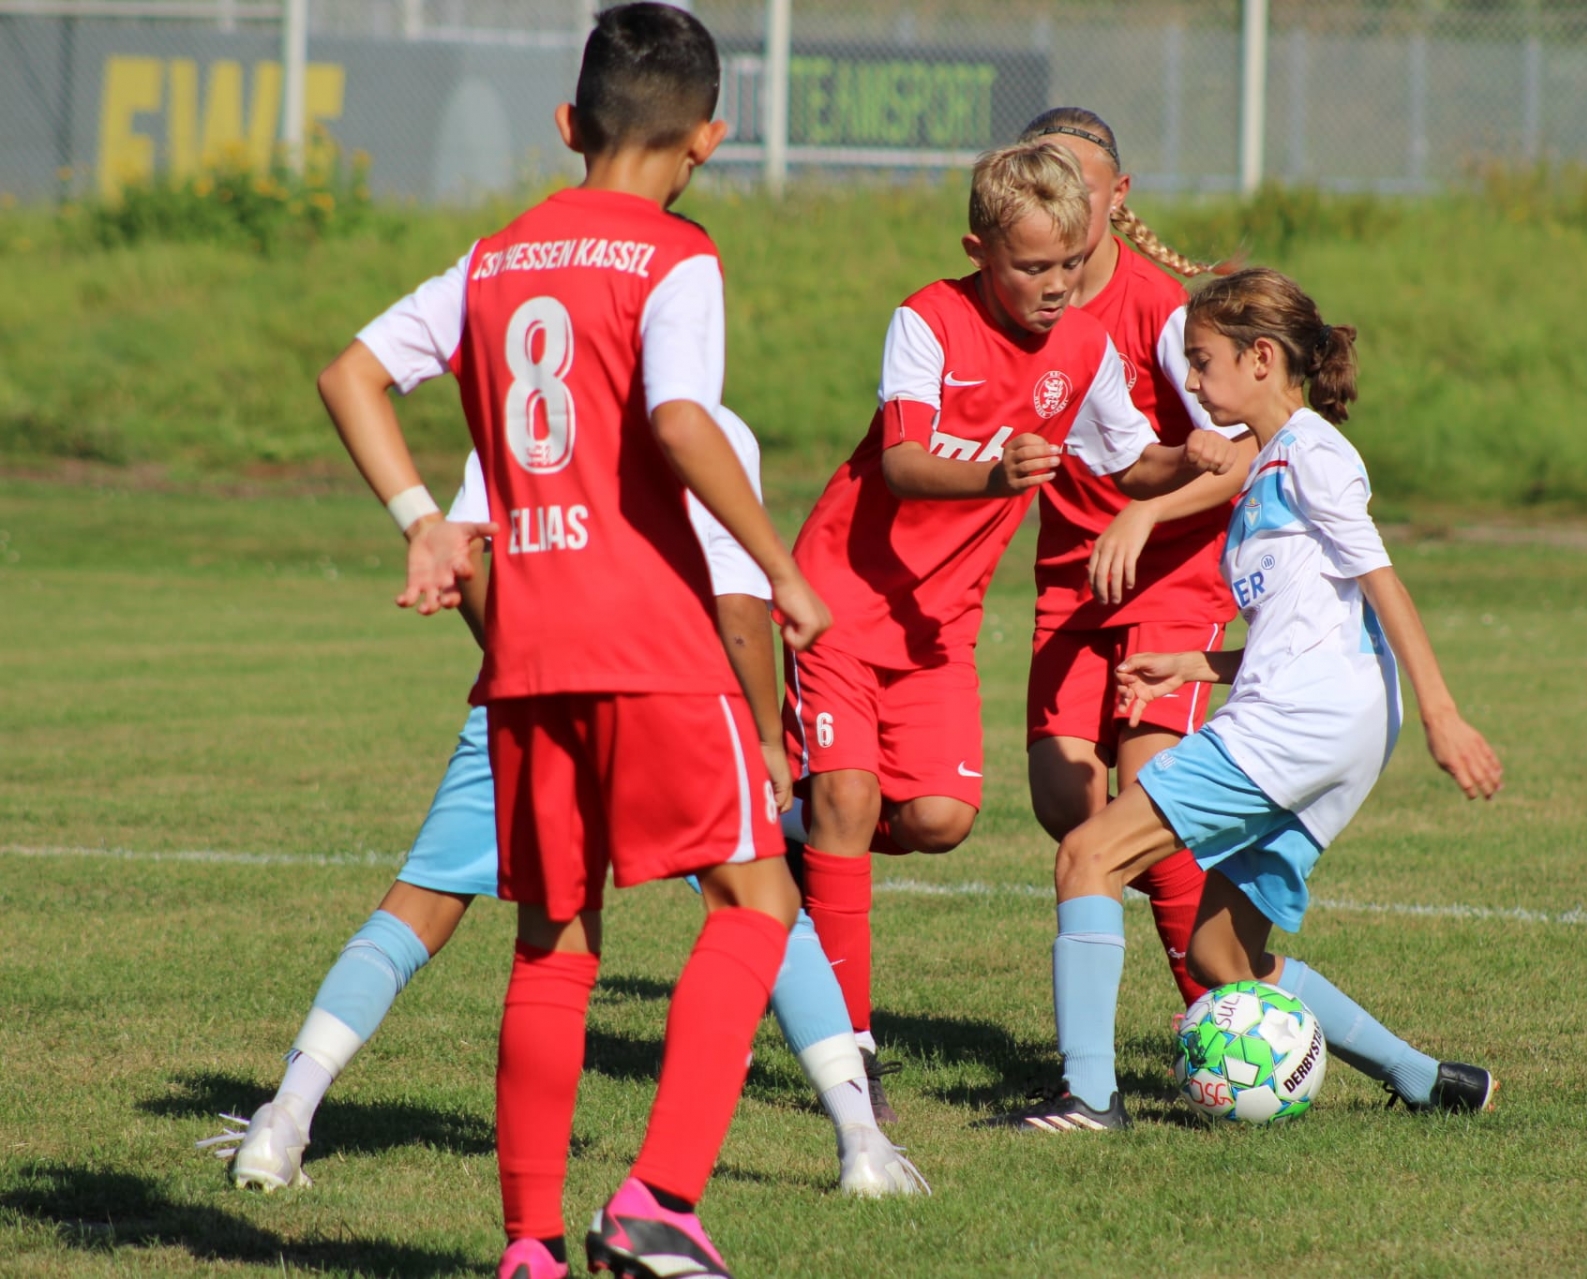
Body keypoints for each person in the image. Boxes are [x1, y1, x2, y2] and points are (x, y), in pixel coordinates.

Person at [318, 7, 834, 1276]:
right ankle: (660, 1197)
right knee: (757, 899)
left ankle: (529, 1248)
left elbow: (349, 375)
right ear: (709, 138)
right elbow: (679, 418)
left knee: (554, 939)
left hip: (528, 647)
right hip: (653, 638)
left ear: (568, 124)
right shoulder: (677, 255)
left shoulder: (493, 259)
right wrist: (779, 566)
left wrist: (425, 521)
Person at [204, 429, 925, 1205]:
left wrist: (519, 668)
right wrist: (764, 736)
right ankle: (861, 1141)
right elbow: (738, 600)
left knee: (422, 907)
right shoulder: (701, 420)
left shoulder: (516, 407)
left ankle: (285, 1118)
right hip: (673, 698)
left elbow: (464, 553)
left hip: (535, 697)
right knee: (767, 906)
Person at [986, 267, 1504, 1134]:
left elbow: (1383, 585)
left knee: (1088, 854)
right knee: (1220, 952)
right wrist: (1195, 664)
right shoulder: (1270, 465)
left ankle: (1088, 1097)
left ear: (1261, 358)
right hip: (1336, 730)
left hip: (1298, 726)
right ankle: (1427, 1080)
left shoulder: (1311, 455)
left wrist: (1444, 715)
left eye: (1202, 360)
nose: (1190, 380)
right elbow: (1308, 624)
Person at [783, 139, 1237, 1121]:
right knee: (851, 799)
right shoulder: (927, 320)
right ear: (979, 252)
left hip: (938, 624)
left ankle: (799, 835)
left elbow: (1129, 463)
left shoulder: (1086, 347)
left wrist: (1189, 456)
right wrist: (992, 474)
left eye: (1070, 263)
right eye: (1033, 266)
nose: (1056, 284)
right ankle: (851, 1052)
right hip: (839, 597)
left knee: (940, 820)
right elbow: (901, 461)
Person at [1015, 107, 1256, 1010]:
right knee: (1065, 803)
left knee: (1146, 799)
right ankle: (1216, 1002)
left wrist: (1146, 514)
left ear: (1118, 196)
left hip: (1173, 577)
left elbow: (1241, 452)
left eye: (1080, 185)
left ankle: (1224, 1013)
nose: (1063, 201)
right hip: (1072, 583)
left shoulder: (1158, 309)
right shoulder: (1017, 302)